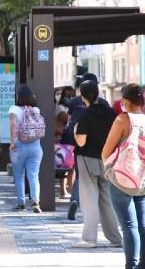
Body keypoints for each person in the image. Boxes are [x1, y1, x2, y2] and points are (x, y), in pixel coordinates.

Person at [73, 80, 122, 248]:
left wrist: (74, 131)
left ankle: (89, 239)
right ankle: (115, 238)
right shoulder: (110, 112)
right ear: (98, 94)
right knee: (107, 200)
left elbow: (81, 142)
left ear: (83, 96)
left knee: (89, 199)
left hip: (87, 159)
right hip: (107, 160)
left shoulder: (85, 115)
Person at [102, 84, 145, 269]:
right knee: (142, 225)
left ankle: (131, 265)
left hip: (121, 180)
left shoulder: (122, 120)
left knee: (129, 227)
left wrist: (109, 170)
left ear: (125, 101)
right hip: (142, 180)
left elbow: (106, 151)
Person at [66, 72, 110, 220]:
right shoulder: (104, 105)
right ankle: (106, 218)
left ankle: (75, 200)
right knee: (104, 185)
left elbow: (70, 123)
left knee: (82, 179)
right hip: (103, 151)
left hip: (82, 149)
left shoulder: (75, 103)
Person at [8, 84, 44, 213]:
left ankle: (21, 203)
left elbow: (13, 125)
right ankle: (35, 202)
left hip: (19, 146)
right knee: (34, 175)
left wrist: (12, 142)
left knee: (19, 175)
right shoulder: (36, 110)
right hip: (35, 147)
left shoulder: (14, 109)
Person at [55, 86, 76, 198]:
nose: (70, 98)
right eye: (67, 95)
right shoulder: (60, 108)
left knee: (69, 165)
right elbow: (67, 120)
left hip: (68, 138)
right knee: (64, 165)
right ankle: (65, 190)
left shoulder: (68, 108)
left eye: (72, 95)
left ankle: (68, 189)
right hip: (64, 139)